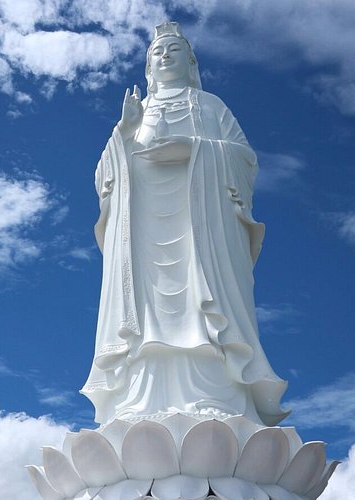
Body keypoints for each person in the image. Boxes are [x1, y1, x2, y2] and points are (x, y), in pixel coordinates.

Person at [81, 22, 288, 427]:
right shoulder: (138, 112)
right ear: (148, 66)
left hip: (202, 226)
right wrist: (124, 132)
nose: (165, 56)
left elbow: (245, 160)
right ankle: (139, 401)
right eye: (157, 52)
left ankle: (217, 396)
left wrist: (193, 149)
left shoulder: (210, 106)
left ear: (190, 62)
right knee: (144, 315)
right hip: (142, 230)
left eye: (174, 50)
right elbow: (103, 177)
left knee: (202, 305)